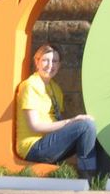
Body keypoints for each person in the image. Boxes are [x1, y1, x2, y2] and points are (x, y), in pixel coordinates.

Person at [16, 44, 97, 179]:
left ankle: (102, 177)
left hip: (49, 142)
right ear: (37, 62)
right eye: (45, 60)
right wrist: (72, 121)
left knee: (93, 128)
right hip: (33, 147)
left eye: (54, 61)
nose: (50, 65)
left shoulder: (55, 88)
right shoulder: (30, 85)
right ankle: (87, 176)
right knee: (85, 125)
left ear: (59, 65)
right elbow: (35, 126)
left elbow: (57, 122)